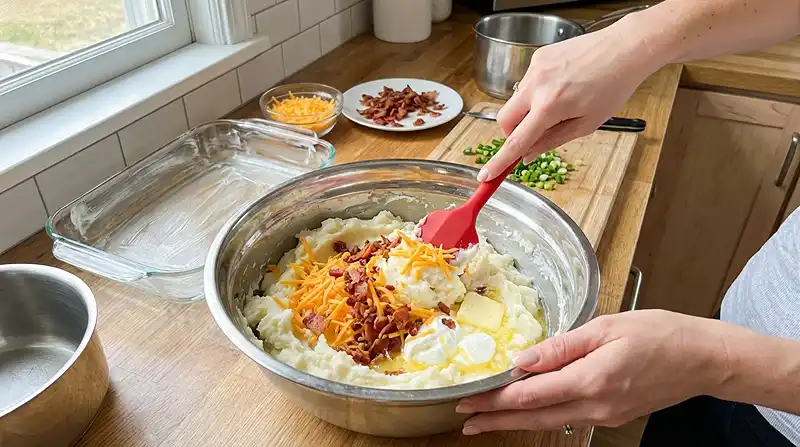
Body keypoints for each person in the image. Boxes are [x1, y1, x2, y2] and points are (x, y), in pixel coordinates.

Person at [455, 0, 800, 445]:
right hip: (744, 322)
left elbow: (719, 364)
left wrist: (721, 362)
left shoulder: (715, 359)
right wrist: (634, 40)